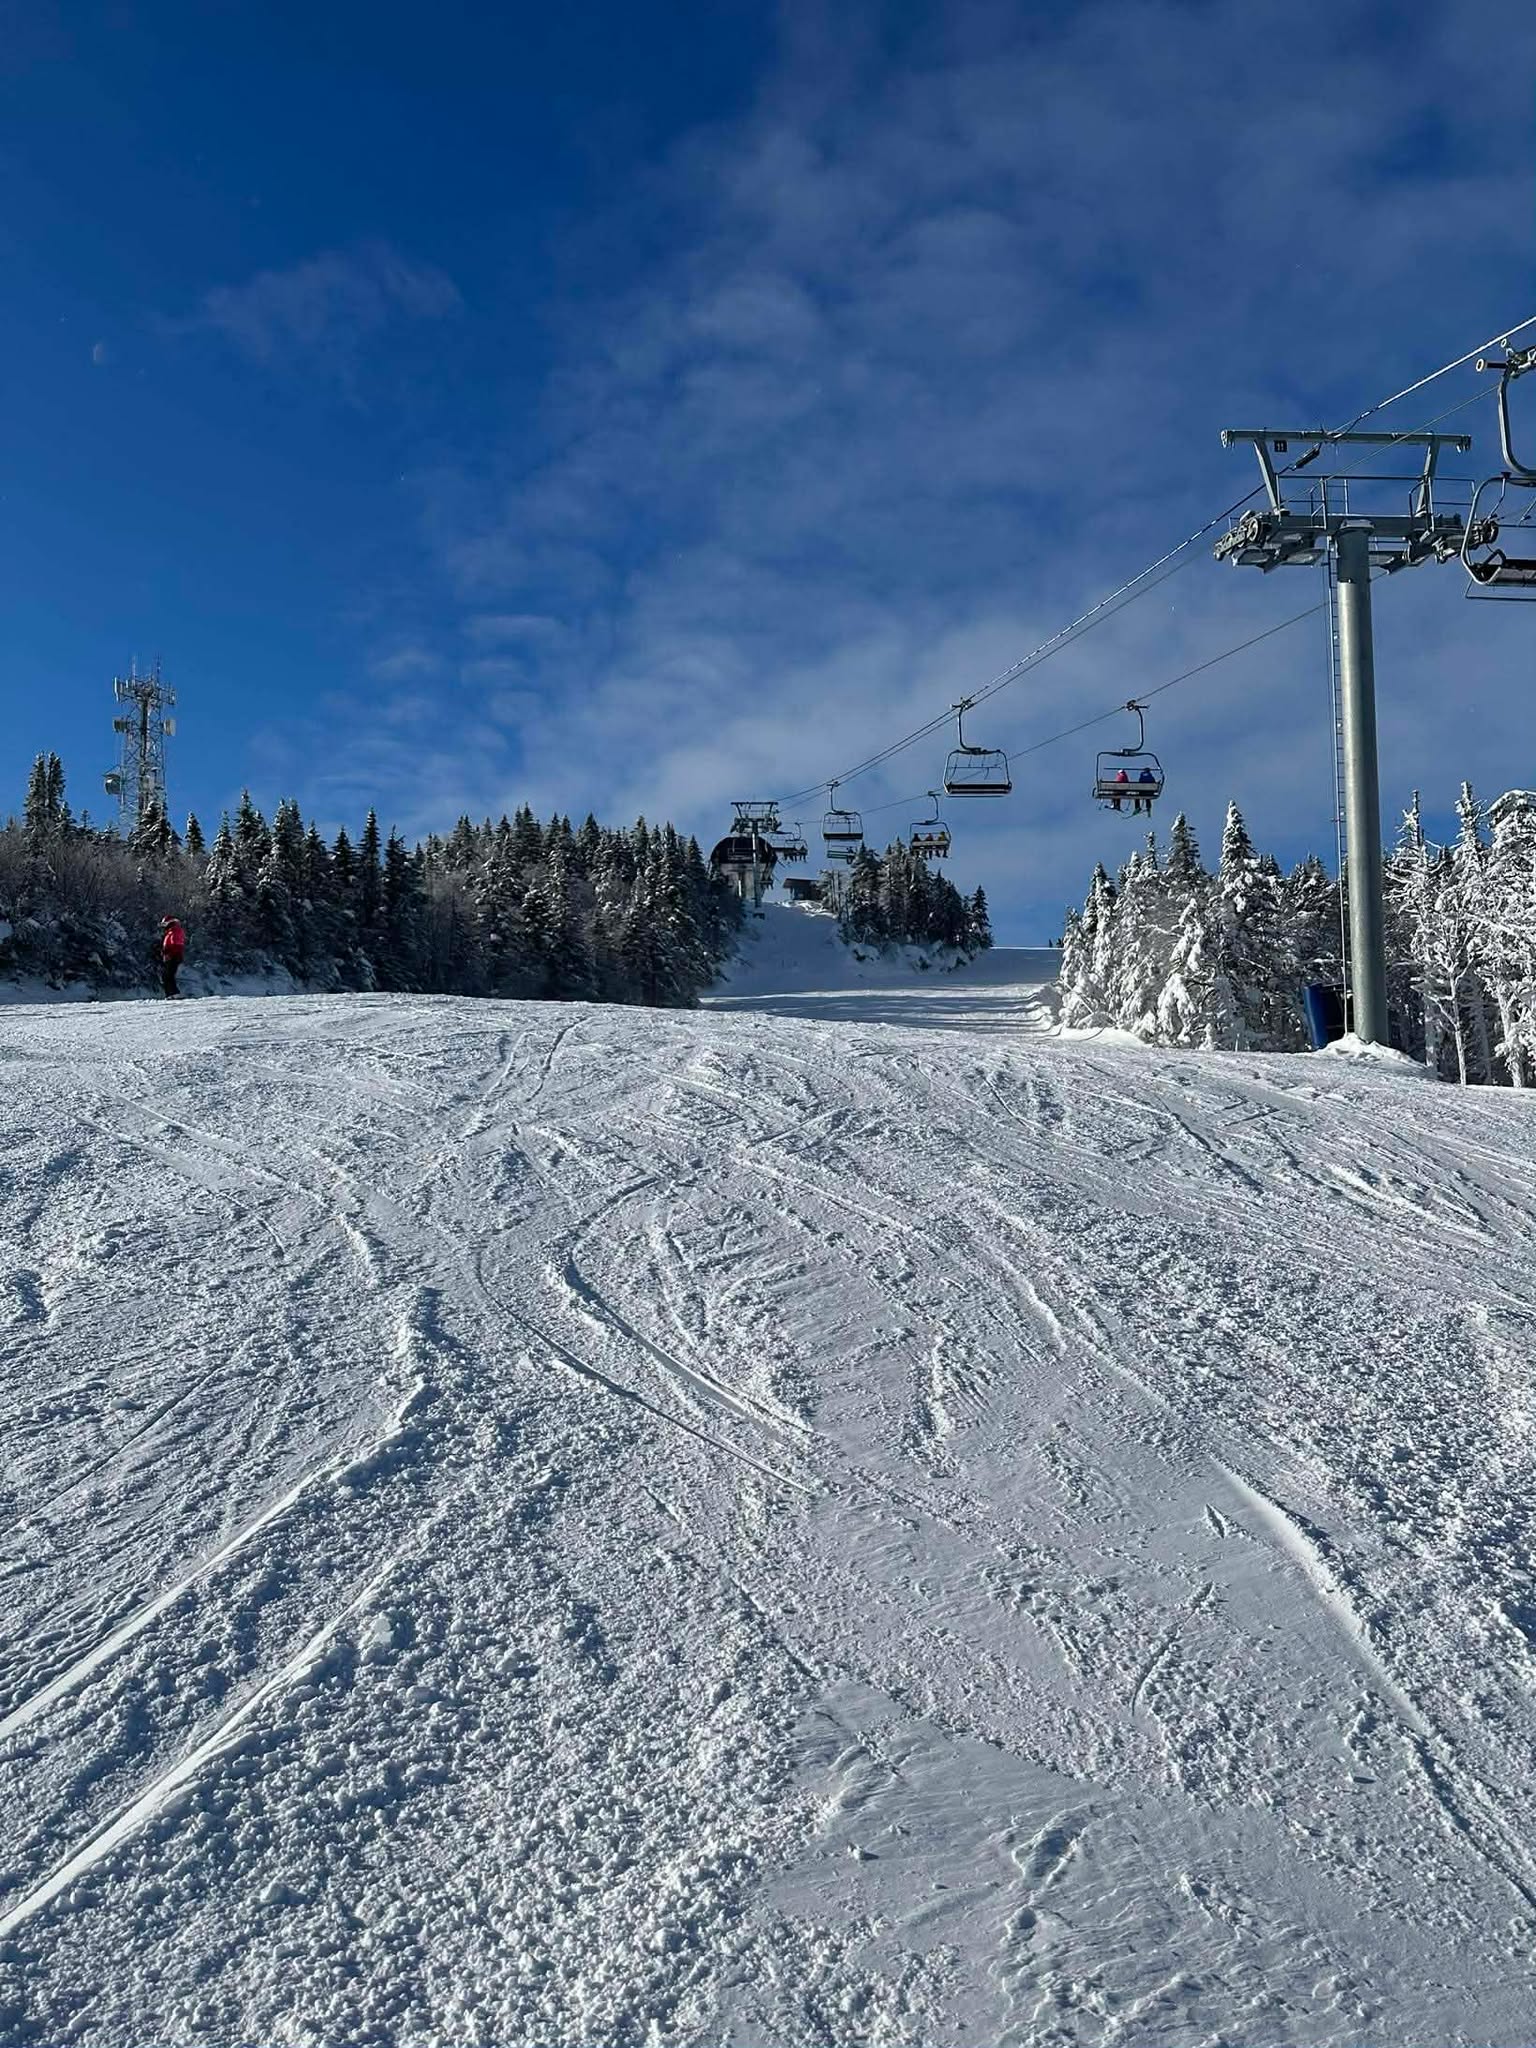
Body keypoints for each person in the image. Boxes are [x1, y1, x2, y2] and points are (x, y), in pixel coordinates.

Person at [159, 914, 186, 998]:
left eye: (165, 924)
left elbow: (177, 945)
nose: (164, 927)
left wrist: (168, 951)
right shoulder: (170, 932)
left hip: (173, 956)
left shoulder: (175, 931)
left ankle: (174, 993)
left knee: (168, 976)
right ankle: (170, 994)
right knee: (166, 976)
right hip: (170, 956)